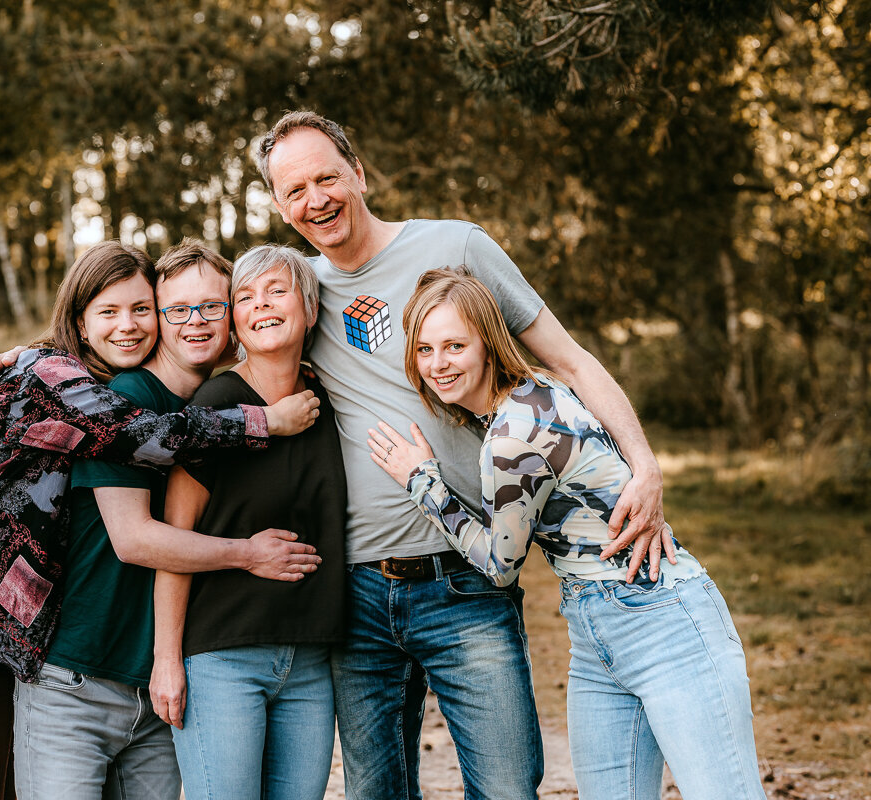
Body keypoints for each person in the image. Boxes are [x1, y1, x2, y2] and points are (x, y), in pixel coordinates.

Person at [252, 110, 674, 800]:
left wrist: (645, 466)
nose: (315, 200)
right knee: (376, 792)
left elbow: (569, 359)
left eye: (327, 178)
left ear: (358, 174)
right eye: (294, 190)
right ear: (278, 203)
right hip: (355, 588)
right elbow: (191, 329)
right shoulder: (298, 289)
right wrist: (46, 355)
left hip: (468, 578)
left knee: (507, 788)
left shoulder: (457, 247)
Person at [0, 241, 321, 800]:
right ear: (79, 320)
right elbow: (138, 436)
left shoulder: (105, 385)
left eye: (143, 309)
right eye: (109, 311)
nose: (131, 326)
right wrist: (265, 422)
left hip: (8, 643)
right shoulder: (46, 373)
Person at [367, 267, 764, 800]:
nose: (438, 365)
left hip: (665, 623)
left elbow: (499, 566)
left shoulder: (513, 437)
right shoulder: (534, 393)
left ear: (487, 343)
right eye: (424, 349)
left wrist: (422, 482)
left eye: (454, 346)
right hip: (593, 630)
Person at [12, 240, 316, 799]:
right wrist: (249, 554)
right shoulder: (124, 400)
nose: (195, 322)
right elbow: (134, 541)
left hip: (157, 691)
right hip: (79, 674)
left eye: (212, 307)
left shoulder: (223, 404)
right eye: (177, 309)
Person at [148, 244, 347, 800]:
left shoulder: (330, 402)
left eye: (276, 291)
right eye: (245, 297)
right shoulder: (217, 405)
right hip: (221, 659)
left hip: (309, 659)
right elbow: (174, 537)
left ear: (308, 308)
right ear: (235, 318)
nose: (261, 306)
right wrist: (168, 660)